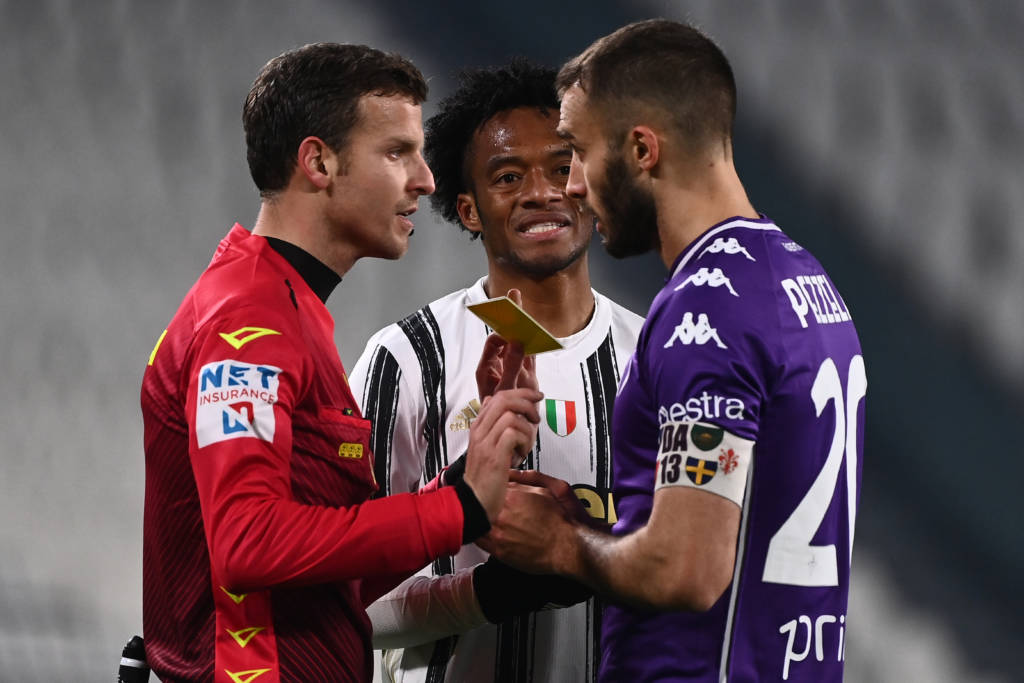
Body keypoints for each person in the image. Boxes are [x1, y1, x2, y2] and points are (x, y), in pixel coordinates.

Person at [140, 43, 542, 682]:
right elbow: (248, 545)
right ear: (318, 162)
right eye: (397, 152)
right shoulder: (247, 321)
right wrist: (459, 509)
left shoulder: (283, 308)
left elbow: (323, 578)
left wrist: (467, 479)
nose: (426, 179)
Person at [480, 20, 867, 682]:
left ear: (641, 149)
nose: (572, 185)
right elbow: (741, 512)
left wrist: (561, 544)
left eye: (578, 151)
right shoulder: (802, 277)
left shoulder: (706, 309)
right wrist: (588, 518)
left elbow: (686, 570)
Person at [348, 60, 643, 682]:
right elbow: (335, 602)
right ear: (470, 209)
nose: (542, 192)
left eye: (561, 167)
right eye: (509, 176)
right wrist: (488, 594)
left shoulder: (656, 356)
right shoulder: (405, 359)